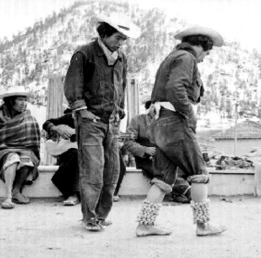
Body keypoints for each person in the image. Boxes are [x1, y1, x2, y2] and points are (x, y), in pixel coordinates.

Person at [135, 26, 227, 237]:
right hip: (175, 122)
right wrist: (190, 115)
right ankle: (203, 225)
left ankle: (145, 224)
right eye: (207, 52)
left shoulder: (172, 57)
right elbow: (176, 89)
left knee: (163, 177)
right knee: (199, 172)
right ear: (202, 46)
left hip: (159, 124)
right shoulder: (187, 58)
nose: (204, 58)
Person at [64, 15, 140, 231]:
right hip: (91, 122)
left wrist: (120, 110)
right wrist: (83, 111)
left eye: (124, 39)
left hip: (112, 122)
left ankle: (101, 215)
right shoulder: (84, 54)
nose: (121, 42)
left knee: (112, 170)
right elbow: (72, 85)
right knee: (93, 170)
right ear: (104, 34)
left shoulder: (121, 58)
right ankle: (90, 218)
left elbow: (121, 86)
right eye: (118, 38)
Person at [123, 101, 191, 203]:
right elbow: (128, 142)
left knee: (182, 168)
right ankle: (187, 191)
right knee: (163, 173)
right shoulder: (136, 120)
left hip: (166, 157)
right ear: (150, 108)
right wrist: (144, 150)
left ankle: (178, 193)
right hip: (147, 160)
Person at [0, 86, 41, 209]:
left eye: (25, 100)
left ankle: (17, 191)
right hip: (1, 149)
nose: (24, 103)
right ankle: (8, 197)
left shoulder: (28, 117)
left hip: (25, 149)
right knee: (13, 157)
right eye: (20, 100)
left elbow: (32, 142)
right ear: (11, 101)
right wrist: (10, 149)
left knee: (26, 159)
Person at [42, 109, 80, 206]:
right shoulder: (70, 117)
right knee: (76, 155)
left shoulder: (95, 119)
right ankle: (72, 194)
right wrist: (56, 128)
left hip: (90, 152)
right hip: (68, 153)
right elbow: (47, 123)